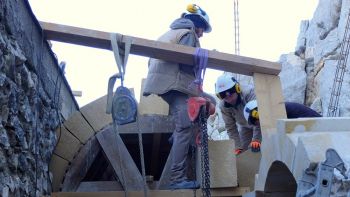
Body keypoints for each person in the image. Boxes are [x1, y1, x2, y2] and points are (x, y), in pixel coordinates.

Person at [143, 4, 213, 190]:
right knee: (184, 127)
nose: (202, 34)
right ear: (197, 22)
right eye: (202, 29)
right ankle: (176, 178)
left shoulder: (171, 33)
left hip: (163, 83)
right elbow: (186, 61)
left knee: (206, 102)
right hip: (175, 83)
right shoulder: (188, 34)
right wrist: (208, 58)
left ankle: (176, 137)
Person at [215, 74, 262, 155]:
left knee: (260, 146)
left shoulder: (249, 93)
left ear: (237, 88)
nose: (229, 99)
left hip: (259, 122)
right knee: (242, 152)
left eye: (230, 95)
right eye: (224, 97)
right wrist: (236, 147)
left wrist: (256, 139)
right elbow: (231, 127)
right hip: (245, 126)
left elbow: (259, 118)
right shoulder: (223, 106)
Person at [243, 100, 322, 126]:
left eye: (256, 122)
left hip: (319, 126)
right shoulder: (276, 110)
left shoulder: (278, 112)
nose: (259, 124)